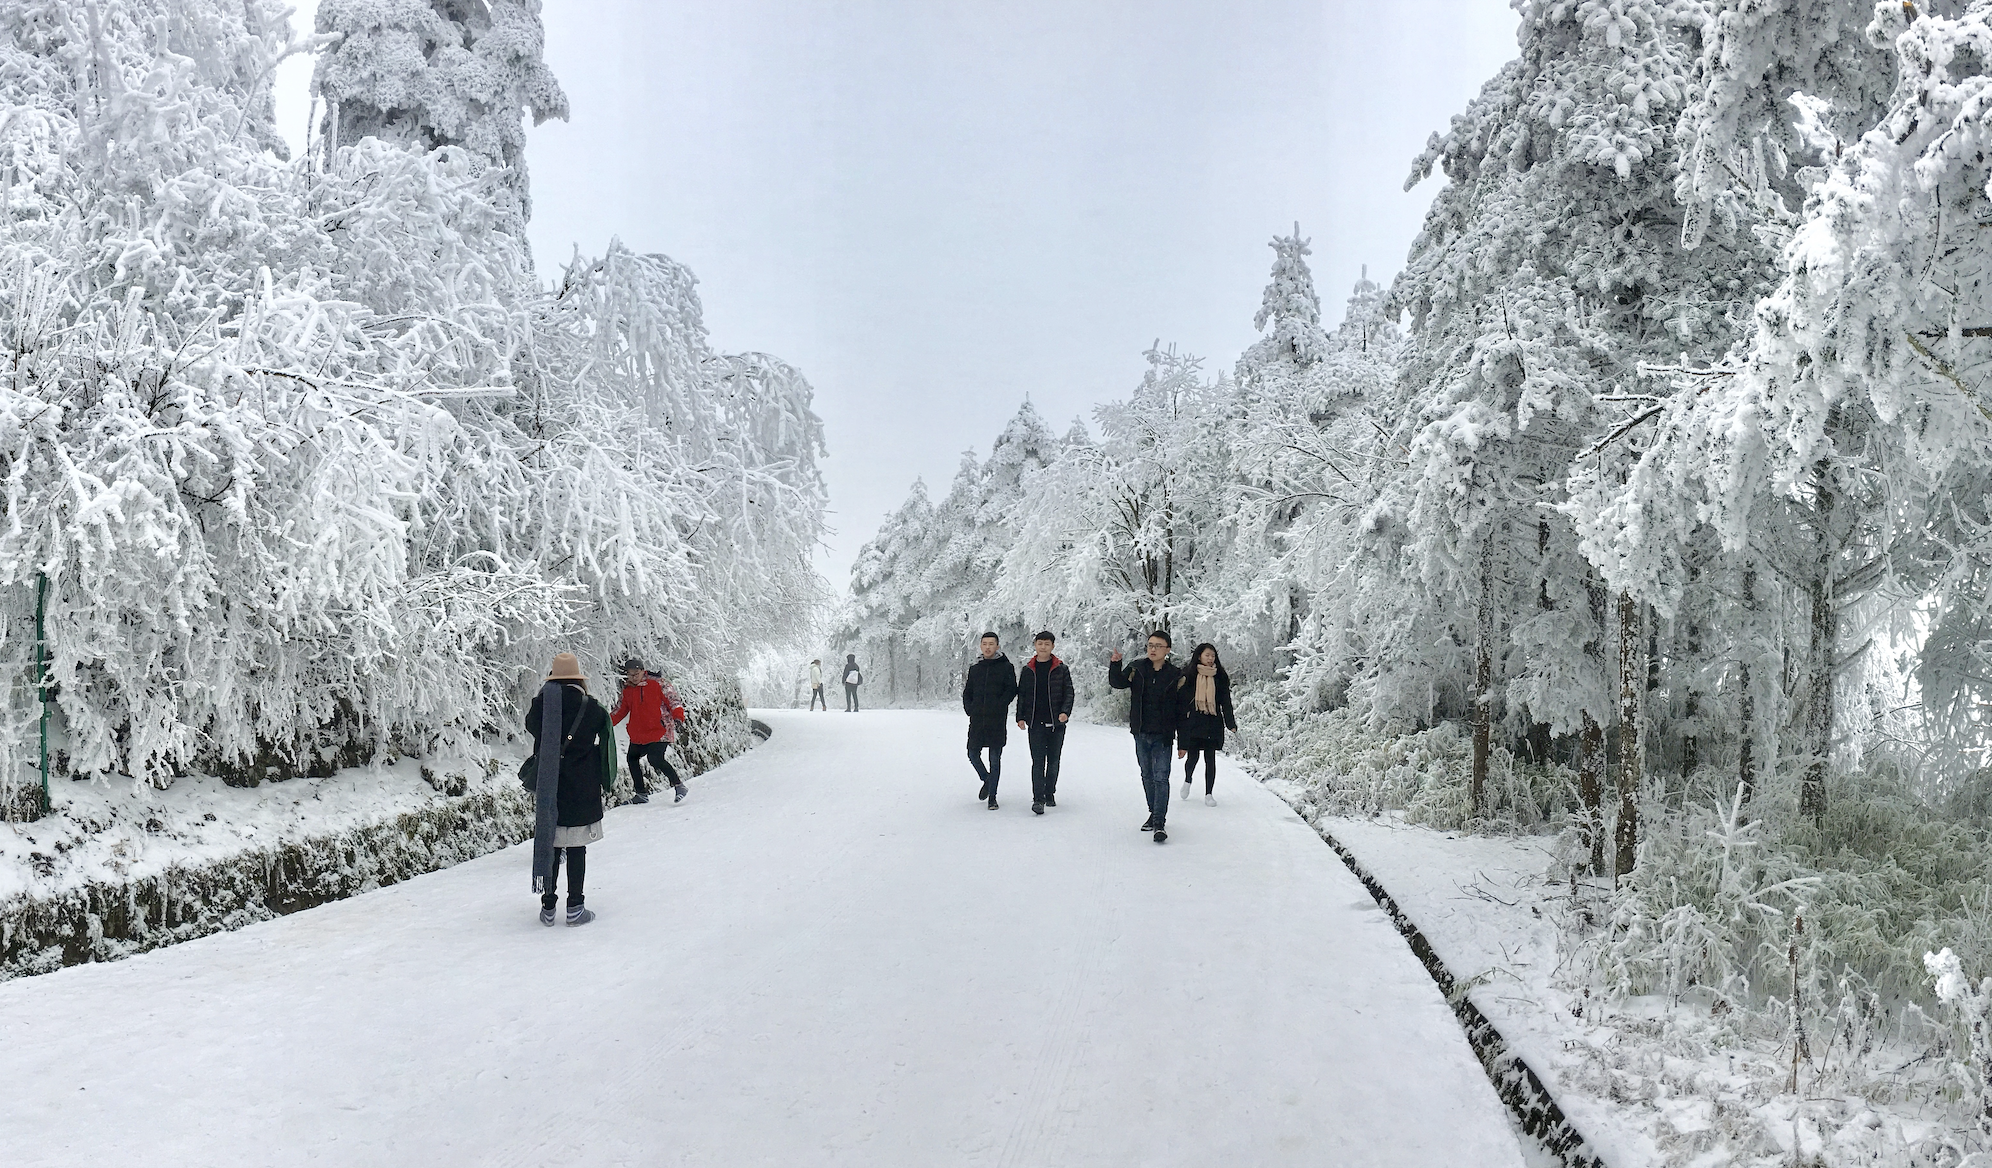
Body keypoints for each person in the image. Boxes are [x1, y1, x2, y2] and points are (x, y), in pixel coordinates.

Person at [524, 652, 617, 927]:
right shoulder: (592, 707)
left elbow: (531, 727)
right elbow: (606, 733)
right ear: (578, 678)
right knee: (576, 848)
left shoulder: (542, 705)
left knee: (551, 844)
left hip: (550, 783)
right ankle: (575, 906)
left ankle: (548, 907)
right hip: (582, 786)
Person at [1108, 630, 1182, 843]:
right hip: (1141, 731)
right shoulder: (1137, 668)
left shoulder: (1176, 675)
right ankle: (1153, 813)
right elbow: (1118, 683)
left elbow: (1181, 709)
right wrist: (1115, 664)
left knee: (1161, 777)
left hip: (1163, 735)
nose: (1153, 649)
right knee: (1147, 775)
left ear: (1167, 650)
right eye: (1150, 645)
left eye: (1158, 645)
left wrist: (1183, 740)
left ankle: (1159, 821)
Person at [612, 659, 689, 804]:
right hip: (639, 732)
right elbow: (620, 710)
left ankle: (679, 786)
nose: (634, 677)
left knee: (655, 758)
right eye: (630, 675)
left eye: (636, 673)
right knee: (632, 758)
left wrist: (678, 716)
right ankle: (641, 794)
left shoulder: (658, 683)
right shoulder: (628, 690)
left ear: (643, 671)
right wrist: (605, 723)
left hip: (660, 729)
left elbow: (673, 700)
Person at [1014, 630, 1073, 815]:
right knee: (1037, 762)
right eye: (1040, 643)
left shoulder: (1061, 669)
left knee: (1054, 761)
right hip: (1035, 723)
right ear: (1035, 645)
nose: (1043, 647)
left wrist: (1064, 712)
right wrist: (1020, 716)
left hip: (1056, 724)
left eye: (1047, 644)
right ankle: (1038, 799)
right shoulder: (1028, 670)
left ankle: (1050, 793)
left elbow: (1069, 692)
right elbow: (1021, 695)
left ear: (1053, 646)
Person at [1176, 642, 1238, 806]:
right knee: (1193, 756)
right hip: (1194, 721)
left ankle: (1209, 794)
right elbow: (1180, 700)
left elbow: (1226, 702)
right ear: (1199, 656)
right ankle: (1188, 780)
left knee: (1210, 758)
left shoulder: (1220, 677)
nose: (1210, 659)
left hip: (1213, 721)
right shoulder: (1189, 675)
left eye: (1212, 655)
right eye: (1207, 655)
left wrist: (1230, 723)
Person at [962, 632, 1019, 809]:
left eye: (991, 644)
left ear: (997, 646)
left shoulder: (1005, 667)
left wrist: (1000, 706)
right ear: (980, 646)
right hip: (977, 719)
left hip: (996, 720)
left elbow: (1011, 690)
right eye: (984, 644)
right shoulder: (975, 669)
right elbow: (967, 692)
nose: (987, 647)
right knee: (972, 753)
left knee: (995, 758)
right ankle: (987, 779)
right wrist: (970, 708)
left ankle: (992, 797)